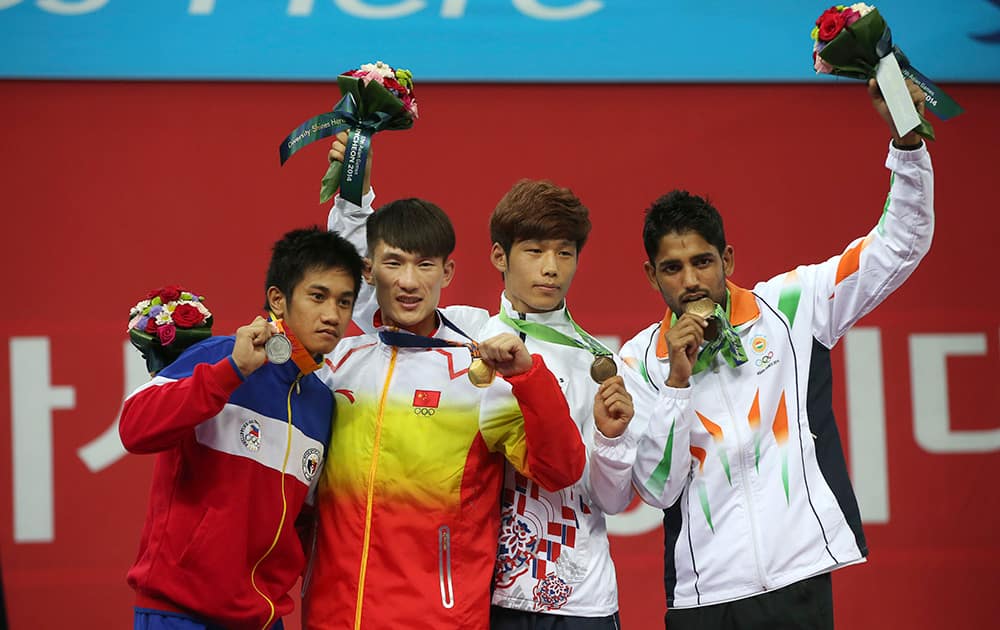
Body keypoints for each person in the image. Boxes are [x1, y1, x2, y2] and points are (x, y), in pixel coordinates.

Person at [588, 79, 934, 629]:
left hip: (799, 577)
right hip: (705, 597)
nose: (691, 281)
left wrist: (908, 143)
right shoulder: (638, 363)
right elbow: (657, 491)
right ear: (652, 275)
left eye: (702, 262)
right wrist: (677, 381)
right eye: (673, 269)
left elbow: (899, 244)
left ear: (726, 258)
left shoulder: (792, 305)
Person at [303, 183, 588, 628]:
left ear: (448, 272)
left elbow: (561, 470)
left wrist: (530, 379)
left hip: (438, 619)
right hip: (334, 617)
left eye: (425, 265)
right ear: (369, 269)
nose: (410, 282)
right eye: (394, 263)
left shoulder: (476, 369)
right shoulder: (340, 361)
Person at [119, 227, 364, 630]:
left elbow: (302, 522)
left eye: (344, 302)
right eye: (318, 296)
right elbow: (134, 426)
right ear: (277, 300)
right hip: (179, 613)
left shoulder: (321, 403)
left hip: (264, 617)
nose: (332, 315)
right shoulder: (218, 357)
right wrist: (230, 373)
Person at [481, 179, 643, 628]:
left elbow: (611, 500)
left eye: (564, 253)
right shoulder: (471, 343)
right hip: (490, 596)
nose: (551, 268)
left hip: (582, 599)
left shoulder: (597, 361)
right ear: (500, 256)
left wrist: (612, 441)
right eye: (534, 251)